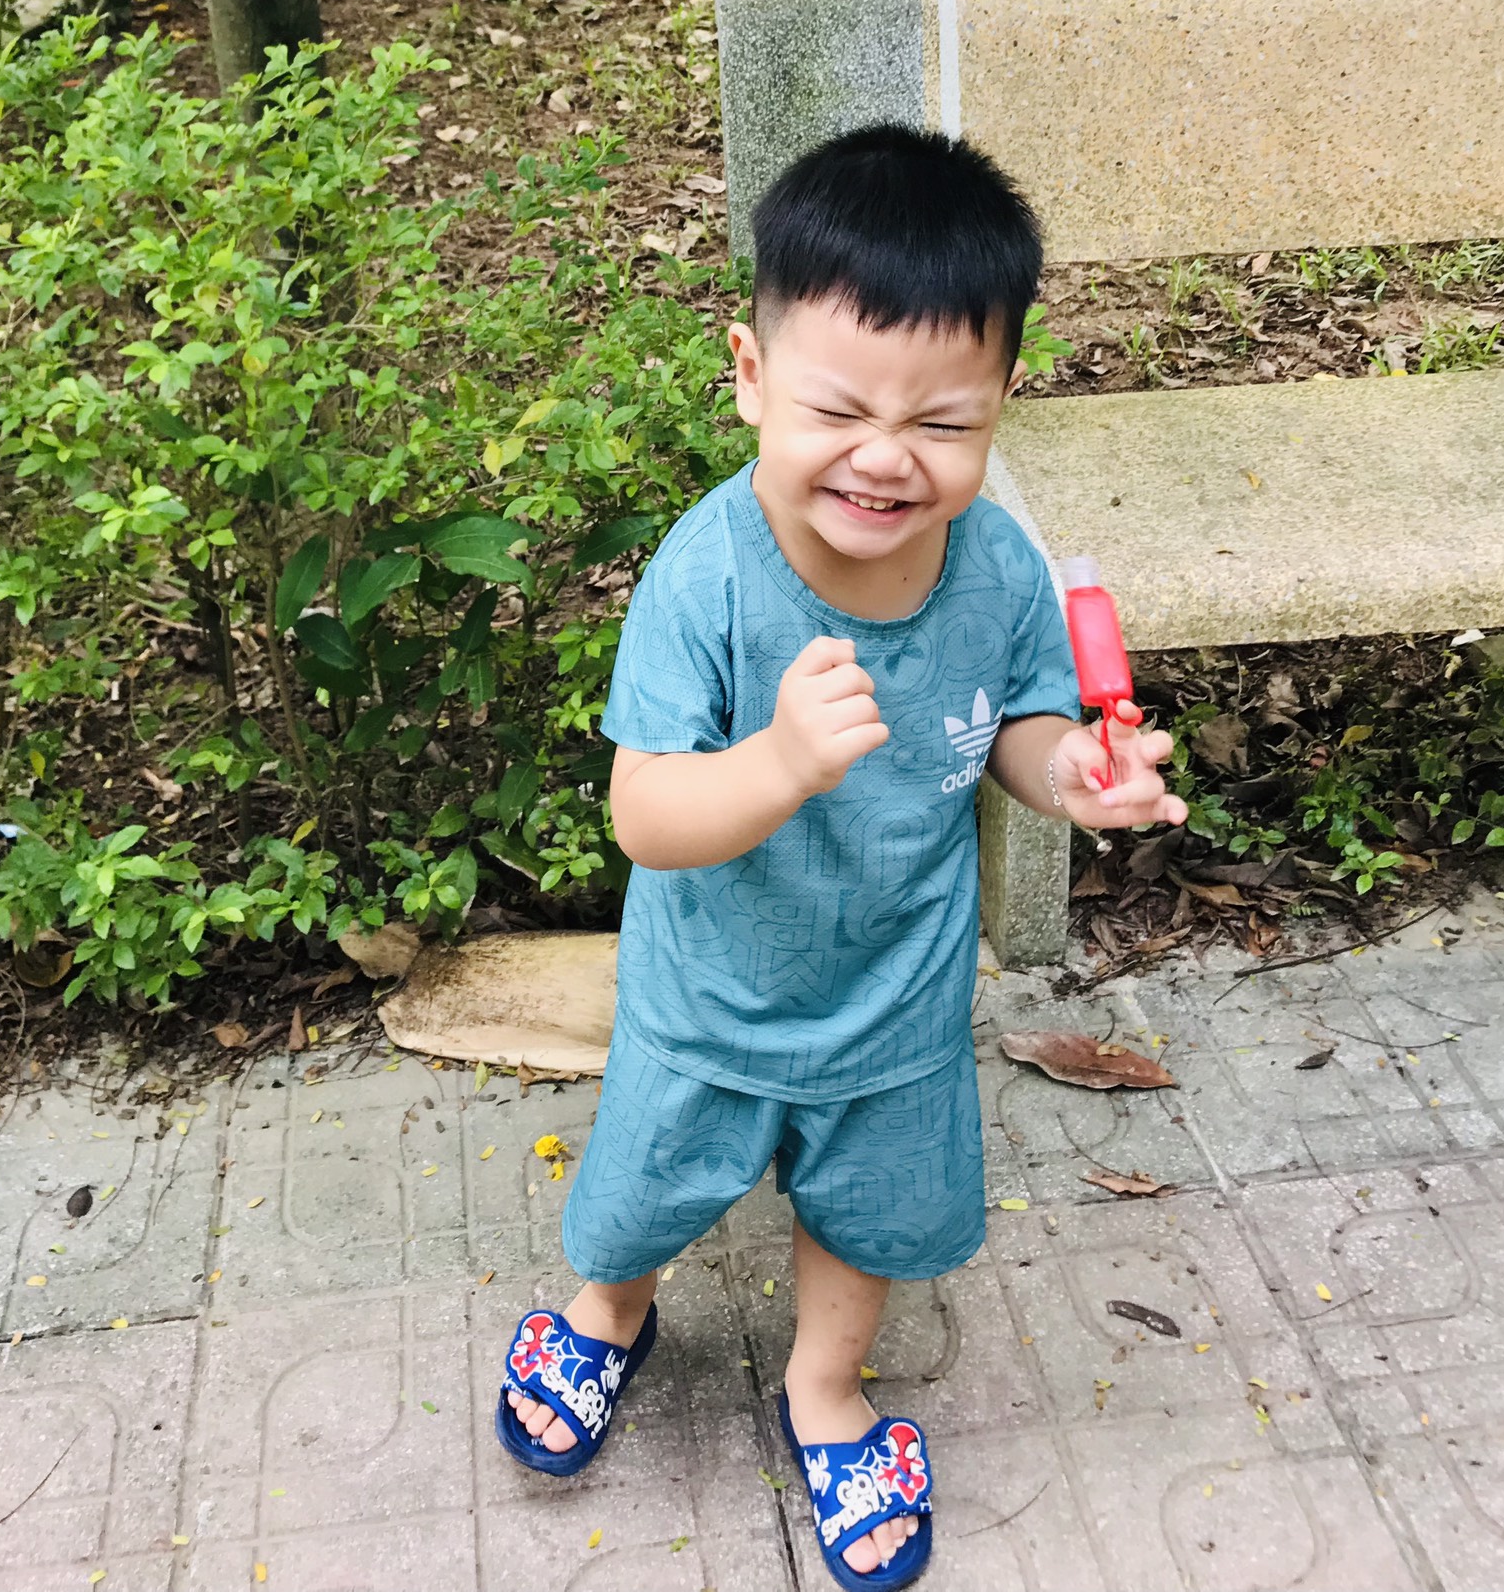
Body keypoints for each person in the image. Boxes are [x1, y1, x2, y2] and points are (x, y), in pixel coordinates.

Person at [495, 127, 1186, 1586]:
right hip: (712, 996)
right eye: (837, 409)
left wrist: (1072, 774)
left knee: (868, 1208)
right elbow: (645, 817)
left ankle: (824, 1387)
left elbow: (1018, 726)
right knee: (642, 1187)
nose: (885, 457)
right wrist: (780, 764)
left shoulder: (996, 565)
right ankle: (610, 1313)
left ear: (1001, 402)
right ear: (751, 375)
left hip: (895, 993)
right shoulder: (705, 577)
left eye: (941, 422)